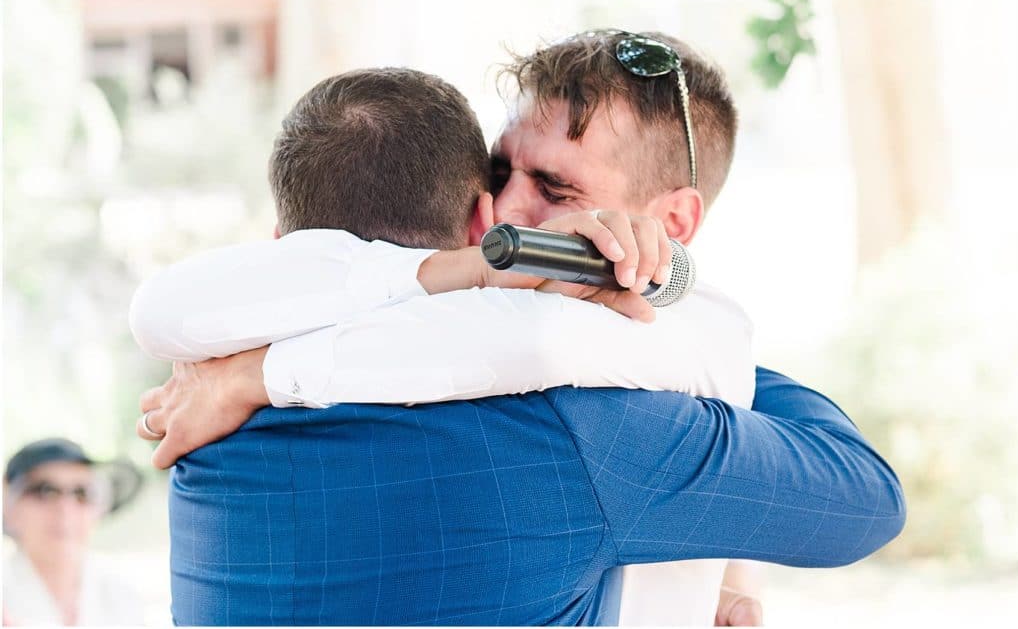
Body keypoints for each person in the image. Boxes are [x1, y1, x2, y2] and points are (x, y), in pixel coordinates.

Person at [130, 64, 905, 625]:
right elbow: (865, 499)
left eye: (555, 190)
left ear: (278, 243)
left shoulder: (204, 428)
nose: (517, 211)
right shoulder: (592, 429)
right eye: (504, 178)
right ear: (477, 222)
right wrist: (643, 312)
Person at [2, 438, 144, 625]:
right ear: (9, 507)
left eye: (81, 493)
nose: (66, 509)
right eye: (45, 491)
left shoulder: (121, 596)